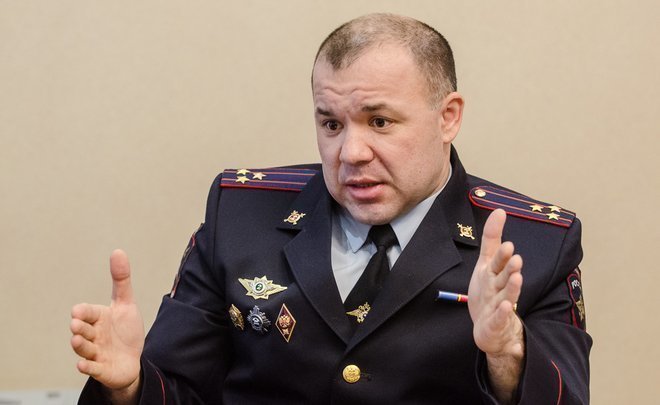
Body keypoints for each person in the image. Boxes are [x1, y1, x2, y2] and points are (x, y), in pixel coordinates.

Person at [70, 13, 591, 404]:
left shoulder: (537, 245)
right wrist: (129, 385)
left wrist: (507, 351)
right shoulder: (240, 216)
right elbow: (180, 390)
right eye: (331, 124)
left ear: (448, 117)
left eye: (380, 122)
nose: (351, 152)